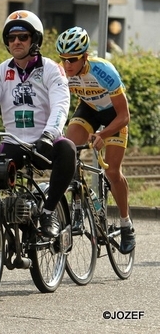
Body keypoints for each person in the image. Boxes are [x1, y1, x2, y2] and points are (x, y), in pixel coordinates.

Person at [0, 10, 76, 238]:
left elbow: (61, 105)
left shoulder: (51, 69)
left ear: (35, 40)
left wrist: (49, 135)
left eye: (23, 36)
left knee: (68, 149)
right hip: (13, 146)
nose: (16, 41)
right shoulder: (1, 72)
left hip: (45, 144)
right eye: (11, 38)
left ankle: (48, 211)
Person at [56, 26, 135, 253]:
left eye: (72, 59)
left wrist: (103, 134)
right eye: (63, 59)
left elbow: (124, 116)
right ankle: (78, 207)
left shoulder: (103, 71)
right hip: (88, 111)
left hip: (113, 117)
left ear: (85, 57)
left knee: (112, 172)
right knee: (67, 150)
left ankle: (126, 223)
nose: (67, 65)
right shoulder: (62, 73)